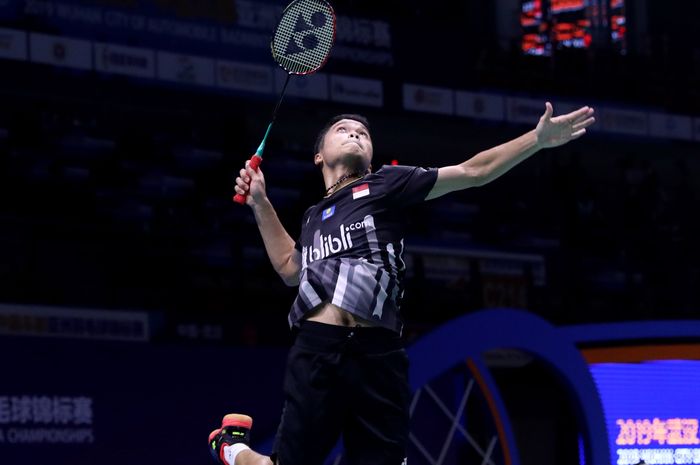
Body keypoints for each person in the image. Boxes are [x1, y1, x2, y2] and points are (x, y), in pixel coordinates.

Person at [208, 102, 596, 465]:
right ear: (318, 156)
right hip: (318, 351)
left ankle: (234, 448)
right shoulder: (312, 217)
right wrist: (260, 201)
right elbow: (291, 268)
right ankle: (231, 448)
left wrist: (537, 140)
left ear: (372, 155)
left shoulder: (387, 185)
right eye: (343, 129)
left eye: (363, 133)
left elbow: (475, 171)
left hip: (379, 355)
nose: (355, 134)